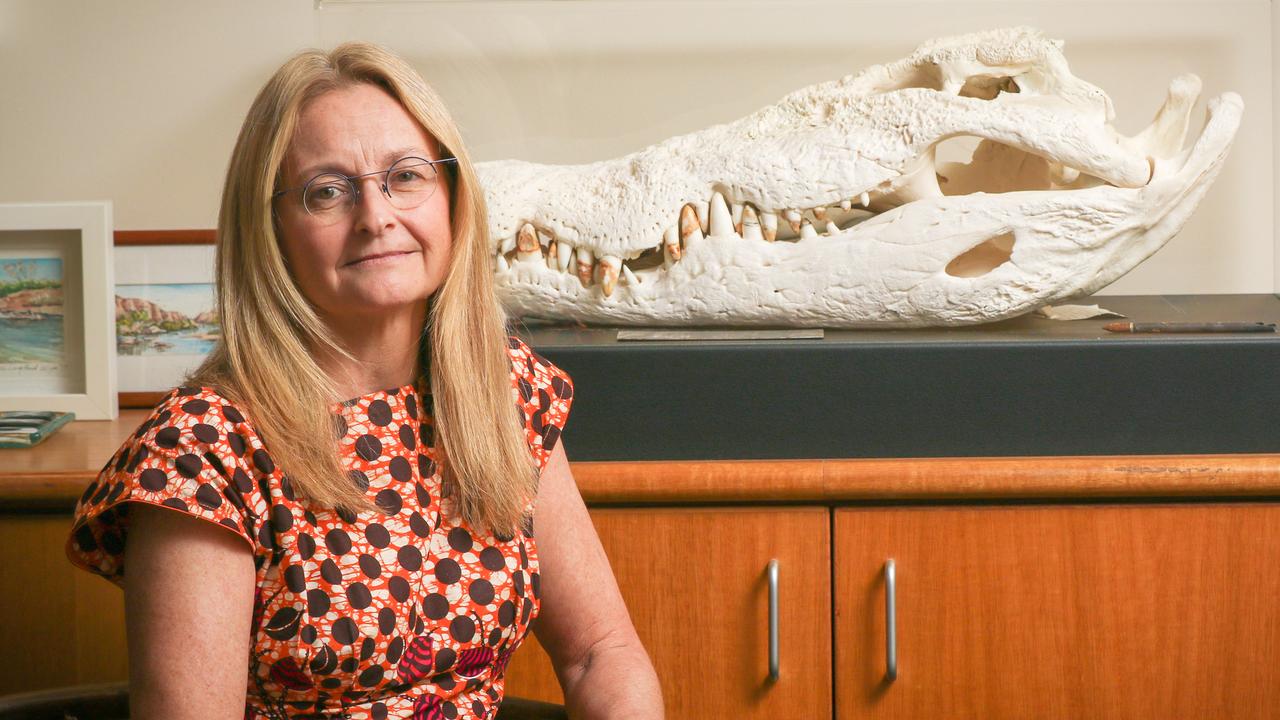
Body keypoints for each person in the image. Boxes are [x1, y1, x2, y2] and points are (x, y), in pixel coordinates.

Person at [66, 42, 663, 720]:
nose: (376, 216)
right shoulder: (204, 448)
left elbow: (601, 654)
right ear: (271, 229)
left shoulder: (504, 391)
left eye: (406, 177)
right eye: (328, 191)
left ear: (451, 197)